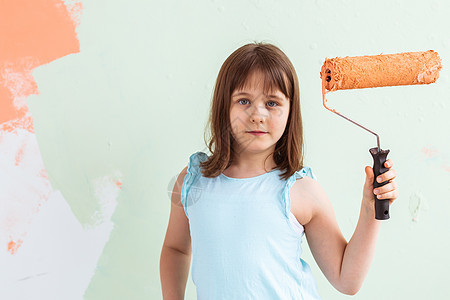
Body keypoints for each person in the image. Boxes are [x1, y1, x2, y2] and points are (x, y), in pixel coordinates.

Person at [160, 42, 398, 299]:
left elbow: (346, 279)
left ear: (289, 111)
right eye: (243, 100)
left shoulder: (302, 191)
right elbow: (176, 249)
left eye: (272, 103)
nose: (257, 114)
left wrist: (369, 210)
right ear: (223, 107)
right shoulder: (192, 181)